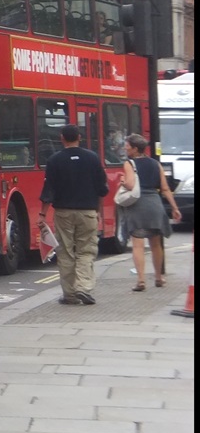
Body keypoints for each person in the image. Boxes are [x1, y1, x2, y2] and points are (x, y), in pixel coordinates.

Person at [37, 124, 109, 305]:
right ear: (80, 137)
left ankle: (69, 294)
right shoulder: (93, 159)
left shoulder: (54, 160)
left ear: (62, 138)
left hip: (63, 213)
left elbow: (48, 191)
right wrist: (98, 212)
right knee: (86, 251)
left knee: (66, 252)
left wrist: (42, 214)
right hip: (88, 212)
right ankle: (83, 288)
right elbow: (102, 189)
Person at [121, 133, 182, 291]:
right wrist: (174, 208)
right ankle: (159, 278)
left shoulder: (129, 163)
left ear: (135, 149)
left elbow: (130, 185)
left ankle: (141, 280)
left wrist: (122, 181)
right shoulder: (156, 164)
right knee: (156, 244)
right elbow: (165, 188)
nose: (125, 148)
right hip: (155, 203)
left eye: (127, 146)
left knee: (138, 245)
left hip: (138, 204)